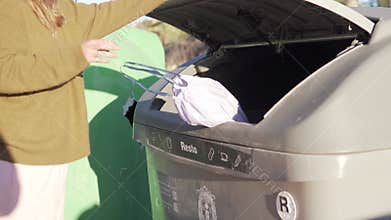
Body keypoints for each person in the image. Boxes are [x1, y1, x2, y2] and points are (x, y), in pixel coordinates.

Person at [0, 0, 165, 219]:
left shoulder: (63, 9)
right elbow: (5, 71)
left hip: (54, 152)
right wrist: (77, 56)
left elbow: (113, 11)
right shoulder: (9, 6)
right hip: (21, 157)